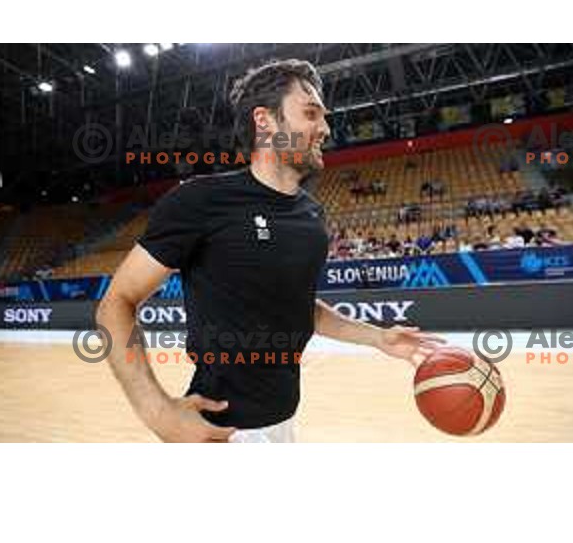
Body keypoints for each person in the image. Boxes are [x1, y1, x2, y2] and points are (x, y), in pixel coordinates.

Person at [97, 59, 444, 443]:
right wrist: (158, 411)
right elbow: (116, 302)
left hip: (284, 425)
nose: (325, 129)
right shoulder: (201, 200)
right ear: (265, 121)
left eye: (324, 117)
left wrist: (378, 338)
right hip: (221, 432)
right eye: (311, 114)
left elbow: (299, 308)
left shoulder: (312, 215)